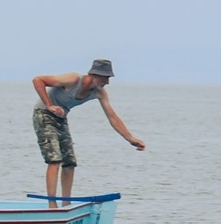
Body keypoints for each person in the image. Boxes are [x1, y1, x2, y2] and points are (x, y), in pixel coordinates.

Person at [31, 59, 145, 207]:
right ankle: (52, 204)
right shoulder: (73, 79)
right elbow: (38, 80)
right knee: (55, 159)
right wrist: (50, 105)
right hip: (43, 114)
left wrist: (131, 139)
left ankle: (66, 204)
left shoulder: (99, 93)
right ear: (95, 75)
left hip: (61, 117)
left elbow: (112, 117)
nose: (107, 82)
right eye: (105, 78)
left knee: (70, 162)